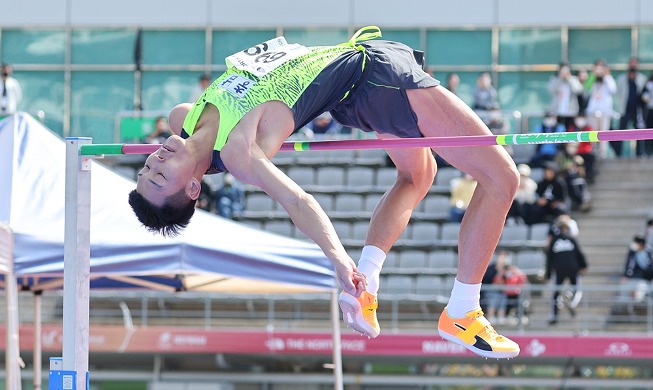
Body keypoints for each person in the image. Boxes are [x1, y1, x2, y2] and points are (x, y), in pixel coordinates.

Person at [128, 27, 521, 359]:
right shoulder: (238, 153)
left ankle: (365, 284)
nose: (155, 161)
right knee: (502, 178)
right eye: (160, 178)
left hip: (356, 88)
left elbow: (186, 124)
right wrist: (336, 258)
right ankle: (464, 309)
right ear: (194, 188)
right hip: (375, 78)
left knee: (417, 176)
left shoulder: (187, 117)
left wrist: (188, 151)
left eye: (147, 168)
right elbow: (299, 202)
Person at [546, 219, 588, 324]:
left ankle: (554, 317)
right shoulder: (571, 239)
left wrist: (548, 273)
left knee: (556, 292)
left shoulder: (554, 241)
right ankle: (570, 301)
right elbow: (579, 253)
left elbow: (549, 258)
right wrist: (583, 266)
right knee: (576, 288)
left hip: (559, 269)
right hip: (573, 268)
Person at [615, 57, 647, 157]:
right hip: (624, 110)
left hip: (637, 110)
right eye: (631, 64)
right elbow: (616, 95)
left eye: (635, 64)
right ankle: (618, 154)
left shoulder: (642, 79)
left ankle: (639, 154)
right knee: (620, 132)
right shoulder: (621, 79)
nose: (633, 66)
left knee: (639, 132)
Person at [585, 60, 616, 157]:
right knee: (592, 133)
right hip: (592, 112)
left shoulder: (608, 79)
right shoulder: (592, 79)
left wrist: (606, 75)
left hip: (605, 112)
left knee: (604, 133)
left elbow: (613, 89)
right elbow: (586, 88)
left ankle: (602, 154)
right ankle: (592, 152)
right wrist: (593, 75)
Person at [548, 62, 584, 127]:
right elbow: (551, 89)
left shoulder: (573, 79)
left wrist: (569, 78)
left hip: (571, 112)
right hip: (558, 112)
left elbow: (579, 90)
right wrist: (559, 78)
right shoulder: (555, 80)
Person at [639, 71, 653, 157]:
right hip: (649, 110)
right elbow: (643, 98)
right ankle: (648, 151)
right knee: (649, 131)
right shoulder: (648, 84)